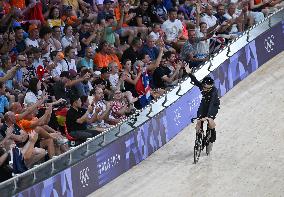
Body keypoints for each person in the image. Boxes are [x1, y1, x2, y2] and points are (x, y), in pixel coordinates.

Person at [188, 68, 220, 147]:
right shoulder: (203, 86)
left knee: (209, 119)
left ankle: (213, 133)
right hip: (205, 103)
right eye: (204, 87)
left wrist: (207, 117)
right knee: (199, 121)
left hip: (213, 105)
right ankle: (199, 136)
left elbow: (211, 105)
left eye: (206, 88)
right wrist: (189, 73)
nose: (204, 89)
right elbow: (195, 81)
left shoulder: (213, 92)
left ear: (211, 87)